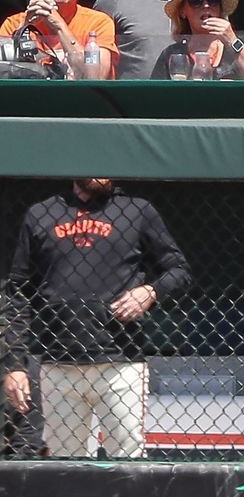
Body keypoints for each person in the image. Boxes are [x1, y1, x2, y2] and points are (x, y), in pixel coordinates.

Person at [0, 179, 192, 457]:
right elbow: (19, 293)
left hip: (120, 363)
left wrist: (151, 291)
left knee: (127, 460)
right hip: (58, 363)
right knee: (64, 465)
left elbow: (179, 271)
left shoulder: (137, 210)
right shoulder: (42, 213)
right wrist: (15, 365)